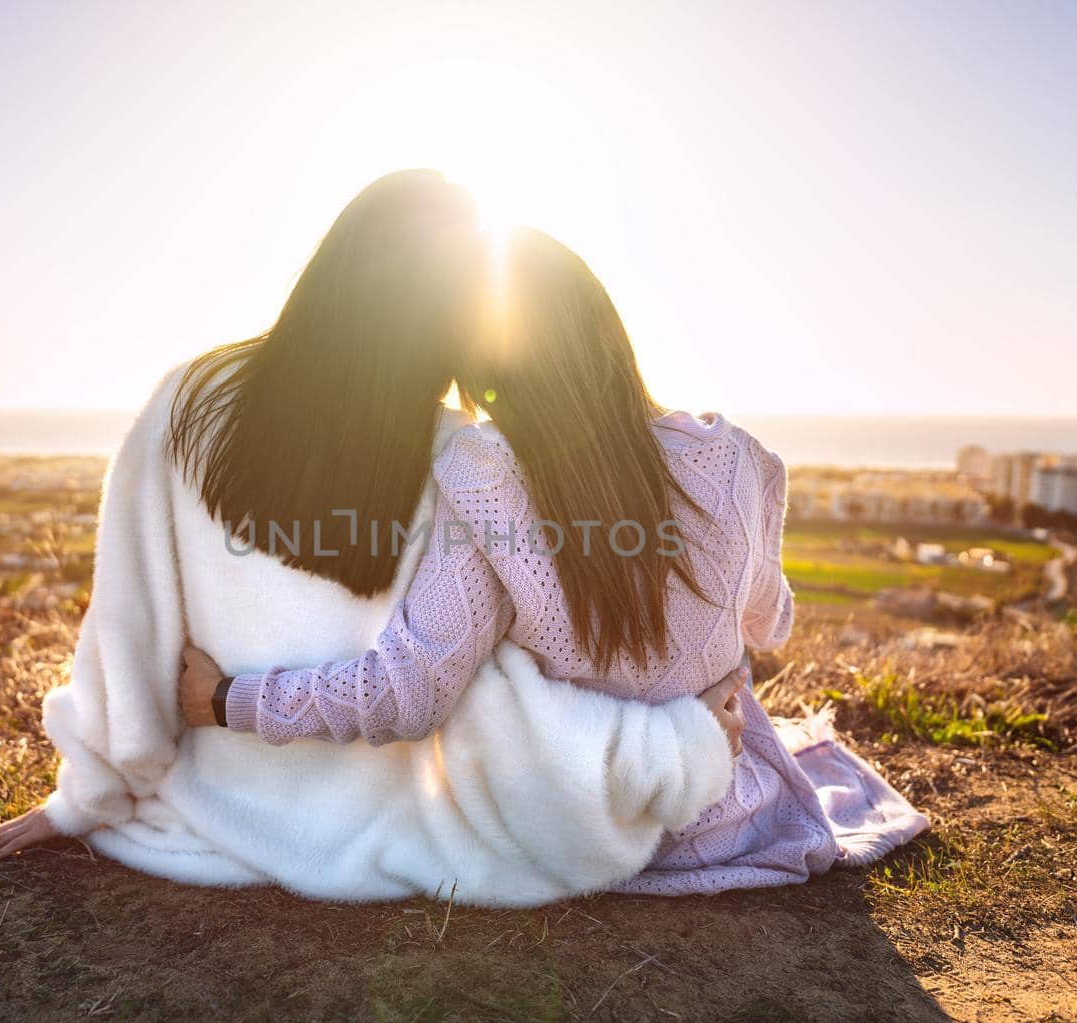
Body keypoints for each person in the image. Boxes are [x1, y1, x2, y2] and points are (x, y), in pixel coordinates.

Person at [0, 179, 745, 870]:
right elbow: (484, 694)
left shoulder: (191, 398)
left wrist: (84, 797)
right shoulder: (462, 457)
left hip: (207, 796)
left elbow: (128, 620)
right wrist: (679, 741)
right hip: (382, 830)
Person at [178, 227, 927, 894]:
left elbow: (404, 694)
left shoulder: (486, 473)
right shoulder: (736, 460)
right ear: (608, 332)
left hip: (581, 827)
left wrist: (223, 698)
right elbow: (770, 624)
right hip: (725, 808)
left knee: (482, 674)